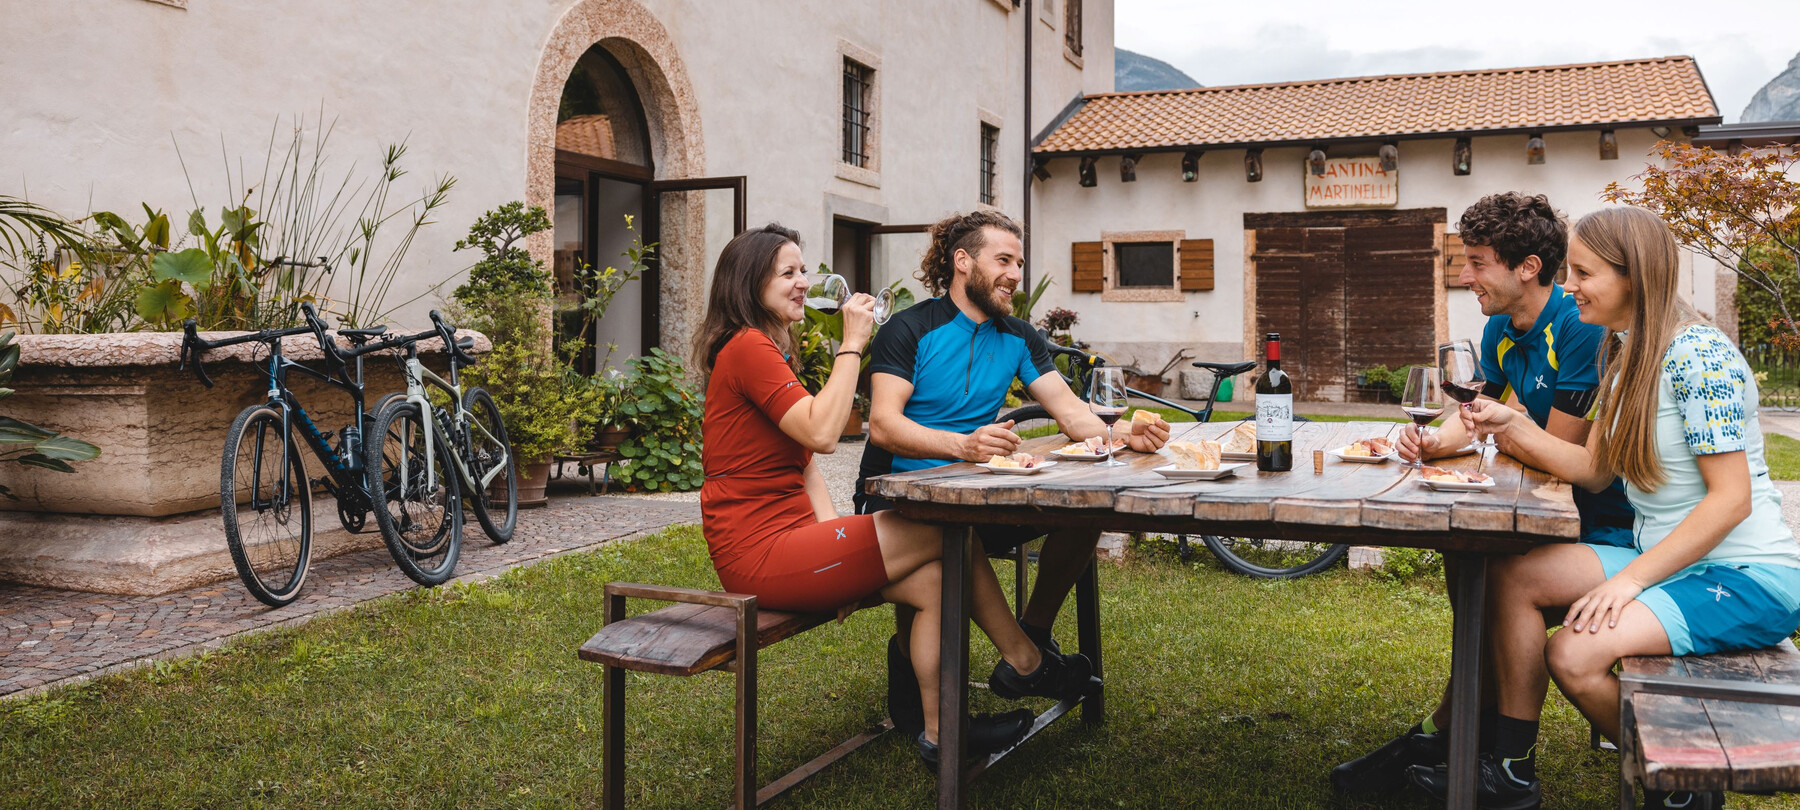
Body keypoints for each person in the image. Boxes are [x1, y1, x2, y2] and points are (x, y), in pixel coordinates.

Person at [1412, 207, 1800, 810]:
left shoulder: (1699, 357)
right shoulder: (1624, 353)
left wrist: (1630, 582)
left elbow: (1731, 500)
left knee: (1572, 653)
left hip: (1746, 574)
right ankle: (1511, 769)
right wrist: (1511, 423)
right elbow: (1595, 468)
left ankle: (1684, 784)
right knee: (1511, 576)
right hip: (1664, 555)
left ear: (1634, 277)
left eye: (1584, 273)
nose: (1569, 287)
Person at [694, 223, 1098, 770]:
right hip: (756, 553)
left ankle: (942, 733)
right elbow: (823, 434)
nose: (803, 282)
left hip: (793, 545)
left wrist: (830, 546)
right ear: (749, 283)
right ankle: (1026, 661)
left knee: (937, 579)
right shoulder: (746, 347)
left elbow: (806, 461)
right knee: (946, 532)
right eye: (788, 273)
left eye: (802, 270)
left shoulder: (765, 349)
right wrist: (852, 343)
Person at [1333, 192, 1636, 798]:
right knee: (1467, 554)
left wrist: (1501, 423)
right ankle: (1462, 727)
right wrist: (1432, 442)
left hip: (1598, 521)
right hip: (1550, 507)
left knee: (1497, 576)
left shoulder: (1578, 327)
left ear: (1527, 267)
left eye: (1476, 262)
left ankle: (1474, 740)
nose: (1464, 275)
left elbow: (1561, 451)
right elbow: (1474, 414)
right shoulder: (1499, 324)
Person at [853, 209, 1170, 736]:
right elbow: (884, 426)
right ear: (962, 261)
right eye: (1003, 260)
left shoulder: (1019, 336)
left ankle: (1033, 634)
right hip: (897, 499)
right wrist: (964, 445)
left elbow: (1070, 412)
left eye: (1019, 264)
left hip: (978, 495)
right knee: (949, 531)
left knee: (1084, 512)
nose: (1015, 275)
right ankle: (1022, 663)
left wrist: (1119, 436)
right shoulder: (909, 329)